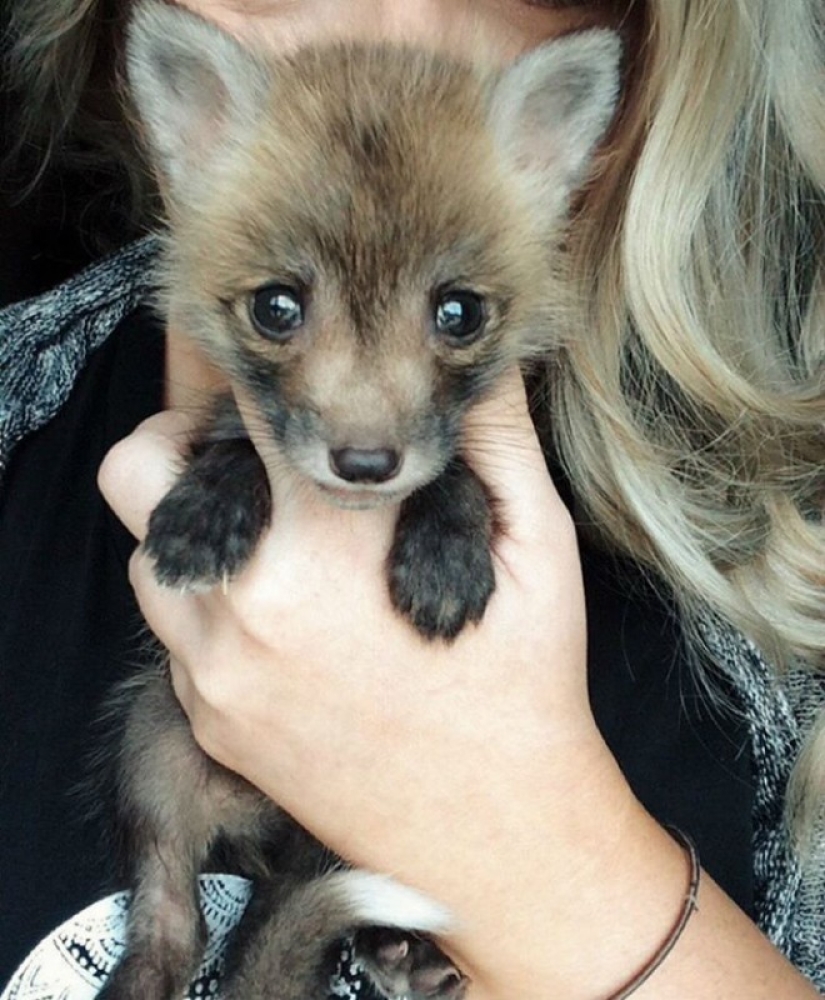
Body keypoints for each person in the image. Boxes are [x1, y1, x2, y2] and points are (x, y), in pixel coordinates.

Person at [0, 0, 823, 997]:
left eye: (455, 314)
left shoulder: (781, 625)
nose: (391, 27)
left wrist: (522, 840)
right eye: (282, 309)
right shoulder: (24, 418)